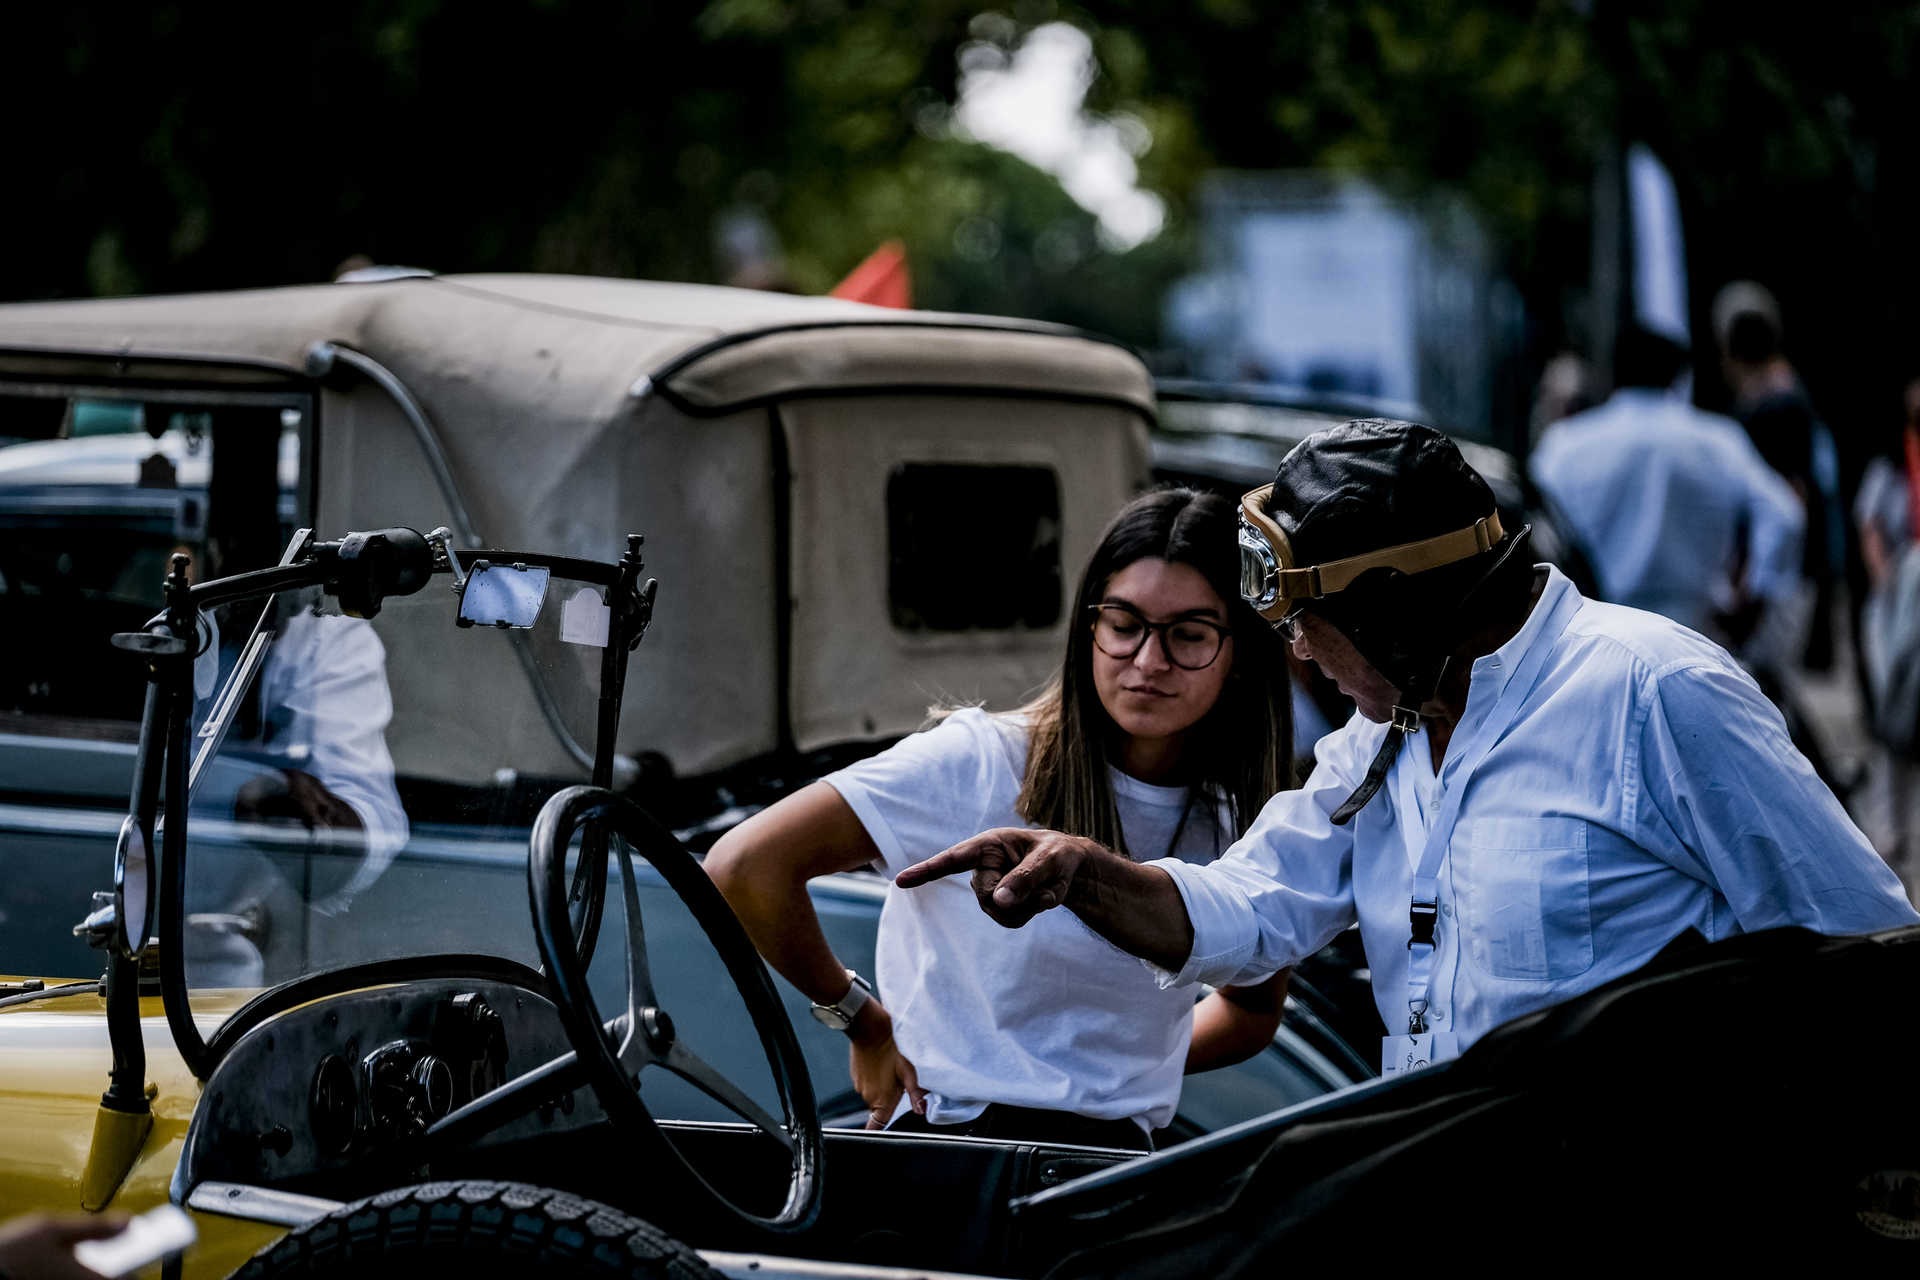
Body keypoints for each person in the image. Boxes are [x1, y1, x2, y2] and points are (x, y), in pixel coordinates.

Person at [901, 421, 1919, 1077]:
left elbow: (1866, 948)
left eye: (1309, 621)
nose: (1293, 649)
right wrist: (1086, 873)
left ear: (1395, 612)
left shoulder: (1656, 690)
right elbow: (1254, 907)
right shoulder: (1383, 734)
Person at [704, 488, 1295, 1149]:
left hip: (1115, 1170)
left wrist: (1115, 1072)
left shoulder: (1242, 820)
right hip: (949, 1154)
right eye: (1124, 625)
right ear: (1088, 629)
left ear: (1241, 653)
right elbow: (745, 866)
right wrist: (861, 1020)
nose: (1148, 662)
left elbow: (1251, 1011)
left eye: (1188, 635)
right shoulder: (983, 760)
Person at [1530, 325, 1805, 649]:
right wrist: (1753, 604)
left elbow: (1533, 530)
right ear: (1678, 376)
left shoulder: (1565, 447)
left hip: (1591, 638)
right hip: (1696, 638)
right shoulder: (1717, 442)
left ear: (1614, 373)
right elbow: (1784, 515)